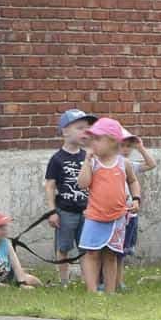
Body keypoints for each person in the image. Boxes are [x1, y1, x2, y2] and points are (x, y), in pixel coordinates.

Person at [76, 117, 141, 294]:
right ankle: (92, 290)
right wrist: (86, 163)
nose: (93, 143)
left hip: (117, 218)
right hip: (95, 216)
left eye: (98, 139)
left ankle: (110, 291)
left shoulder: (123, 163)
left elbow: (133, 181)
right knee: (92, 254)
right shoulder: (93, 163)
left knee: (111, 255)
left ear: (112, 141)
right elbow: (83, 184)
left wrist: (136, 199)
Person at [45, 109, 95, 284]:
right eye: (80, 128)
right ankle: (64, 280)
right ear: (65, 131)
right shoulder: (57, 159)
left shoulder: (87, 156)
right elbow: (50, 185)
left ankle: (86, 279)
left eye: (87, 129)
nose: (85, 132)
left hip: (87, 211)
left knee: (86, 247)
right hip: (65, 211)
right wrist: (52, 211)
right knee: (64, 246)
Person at [0, 209, 42, 288]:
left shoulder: (6, 243)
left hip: (8, 278)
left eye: (4, 225)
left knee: (30, 279)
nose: (4, 228)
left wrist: (22, 283)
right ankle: (7, 287)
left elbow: (16, 265)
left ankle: (45, 287)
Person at [120, 131, 157, 263]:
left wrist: (140, 148)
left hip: (130, 211)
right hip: (116, 212)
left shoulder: (129, 165)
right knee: (116, 249)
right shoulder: (109, 165)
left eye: (129, 146)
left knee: (124, 250)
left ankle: (119, 281)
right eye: (122, 145)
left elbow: (151, 164)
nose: (126, 149)